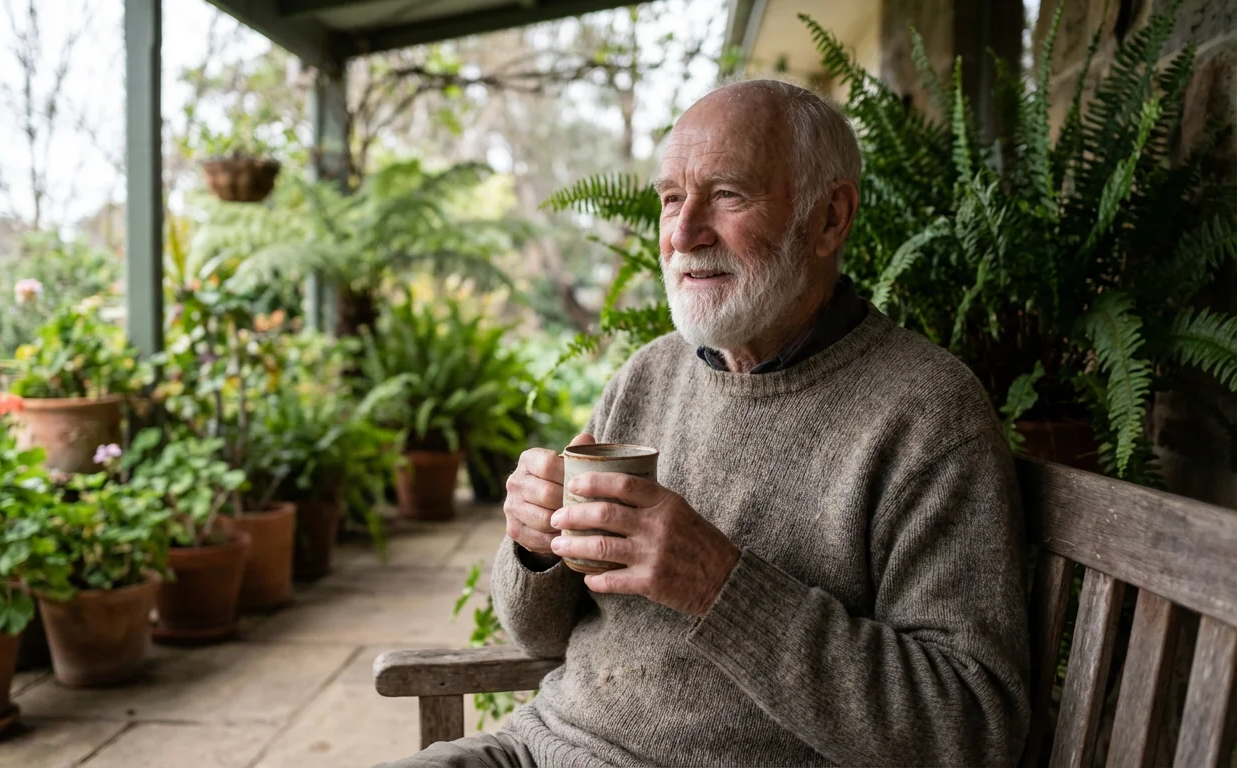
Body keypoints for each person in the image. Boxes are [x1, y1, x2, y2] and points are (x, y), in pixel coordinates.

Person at [383, 78, 1030, 767]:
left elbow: (971, 727)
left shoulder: (926, 413)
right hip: (536, 750)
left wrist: (723, 588)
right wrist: (534, 548)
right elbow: (539, 638)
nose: (684, 232)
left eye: (727, 195)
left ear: (830, 218)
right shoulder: (650, 373)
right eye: (670, 199)